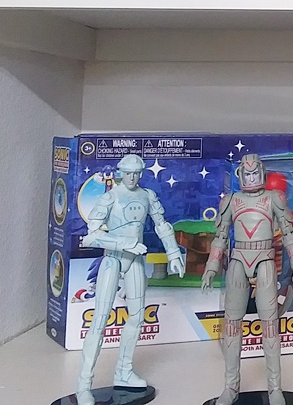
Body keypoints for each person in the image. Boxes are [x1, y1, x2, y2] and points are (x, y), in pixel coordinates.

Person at [76, 154, 185, 405]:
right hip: (113, 259)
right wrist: (123, 243)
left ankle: (123, 372)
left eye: (137, 173)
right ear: (121, 172)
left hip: (135, 260)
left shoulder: (147, 195)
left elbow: (162, 225)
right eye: (128, 173)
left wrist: (173, 253)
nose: (133, 177)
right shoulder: (110, 197)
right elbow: (90, 236)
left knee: (136, 317)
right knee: (99, 321)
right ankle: (84, 385)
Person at [202, 154, 293, 405]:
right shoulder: (231, 201)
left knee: (270, 326)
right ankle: (231, 387)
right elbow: (220, 237)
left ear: (262, 174)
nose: (251, 178)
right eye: (247, 174)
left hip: (265, 261)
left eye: (255, 173)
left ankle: (275, 389)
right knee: (232, 325)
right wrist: (211, 266)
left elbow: (289, 233)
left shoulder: (273, 198)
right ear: (240, 176)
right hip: (239, 260)